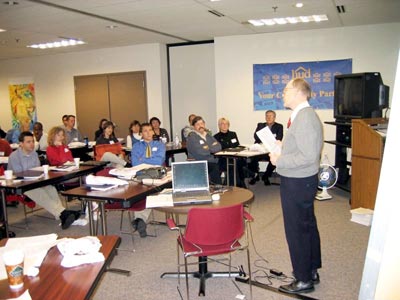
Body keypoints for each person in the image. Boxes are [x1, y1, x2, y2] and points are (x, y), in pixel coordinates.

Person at [269, 78, 323, 294]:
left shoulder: (306, 117)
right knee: (307, 225)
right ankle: (310, 270)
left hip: (298, 181)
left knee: (297, 230)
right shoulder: (301, 115)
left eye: (286, 90)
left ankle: (303, 280)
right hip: (302, 180)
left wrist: (279, 160)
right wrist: (284, 146)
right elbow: (301, 147)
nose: (283, 93)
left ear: (299, 93)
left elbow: (308, 156)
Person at [7, 131, 80, 229]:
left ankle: (61, 215)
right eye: (28, 142)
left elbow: (37, 168)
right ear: (21, 144)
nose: (32, 144)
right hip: (20, 185)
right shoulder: (14, 156)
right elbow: (19, 174)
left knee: (51, 189)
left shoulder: (33, 154)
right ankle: (63, 213)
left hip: (35, 181)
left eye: (33, 141)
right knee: (38, 192)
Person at [131, 122, 166, 237]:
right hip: (140, 175)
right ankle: (140, 219)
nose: (149, 133)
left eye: (150, 130)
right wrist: (150, 159)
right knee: (139, 192)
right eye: (145, 131)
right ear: (141, 134)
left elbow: (159, 161)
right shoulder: (136, 146)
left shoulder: (160, 145)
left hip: (156, 174)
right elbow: (135, 163)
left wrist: (144, 159)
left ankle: (139, 219)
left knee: (150, 193)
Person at [248, 110, 283, 185]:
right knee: (251, 159)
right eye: (267, 116)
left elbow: (279, 138)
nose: (268, 117)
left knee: (275, 160)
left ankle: (266, 176)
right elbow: (256, 137)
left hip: (270, 150)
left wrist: (267, 138)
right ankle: (255, 175)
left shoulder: (279, 126)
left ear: (274, 117)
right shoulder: (260, 125)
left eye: (271, 116)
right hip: (260, 150)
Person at [186, 116, 222, 185]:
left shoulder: (208, 135)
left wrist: (208, 148)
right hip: (198, 162)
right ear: (193, 126)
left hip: (210, 160)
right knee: (214, 167)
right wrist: (212, 149)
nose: (201, 126)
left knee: (226, 164)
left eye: (202, 123)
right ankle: (217, 188)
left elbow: (219, 146)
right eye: (198, 124)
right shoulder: (192, 136)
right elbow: (200, 152)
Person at [213, 117, 246, 188]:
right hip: (223, 159)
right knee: (234, 165)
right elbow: (219, 149)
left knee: (242, 161)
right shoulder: (216, 137)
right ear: (219, 126)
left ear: (228, 125)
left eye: (226, 124)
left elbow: (236, 145)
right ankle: (237, 185)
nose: (224, 125)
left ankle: (239, 183)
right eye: (222, 124)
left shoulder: (233, 134)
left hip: (235, 156)